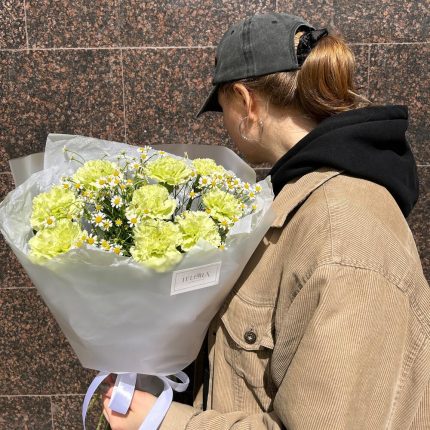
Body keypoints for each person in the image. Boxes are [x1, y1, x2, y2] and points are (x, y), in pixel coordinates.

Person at [102, 12, 430, 429]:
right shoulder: (292, 196)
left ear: (246, 102)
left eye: (222, 108)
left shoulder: (343, 234)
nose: (225, 125)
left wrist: (163, 421)